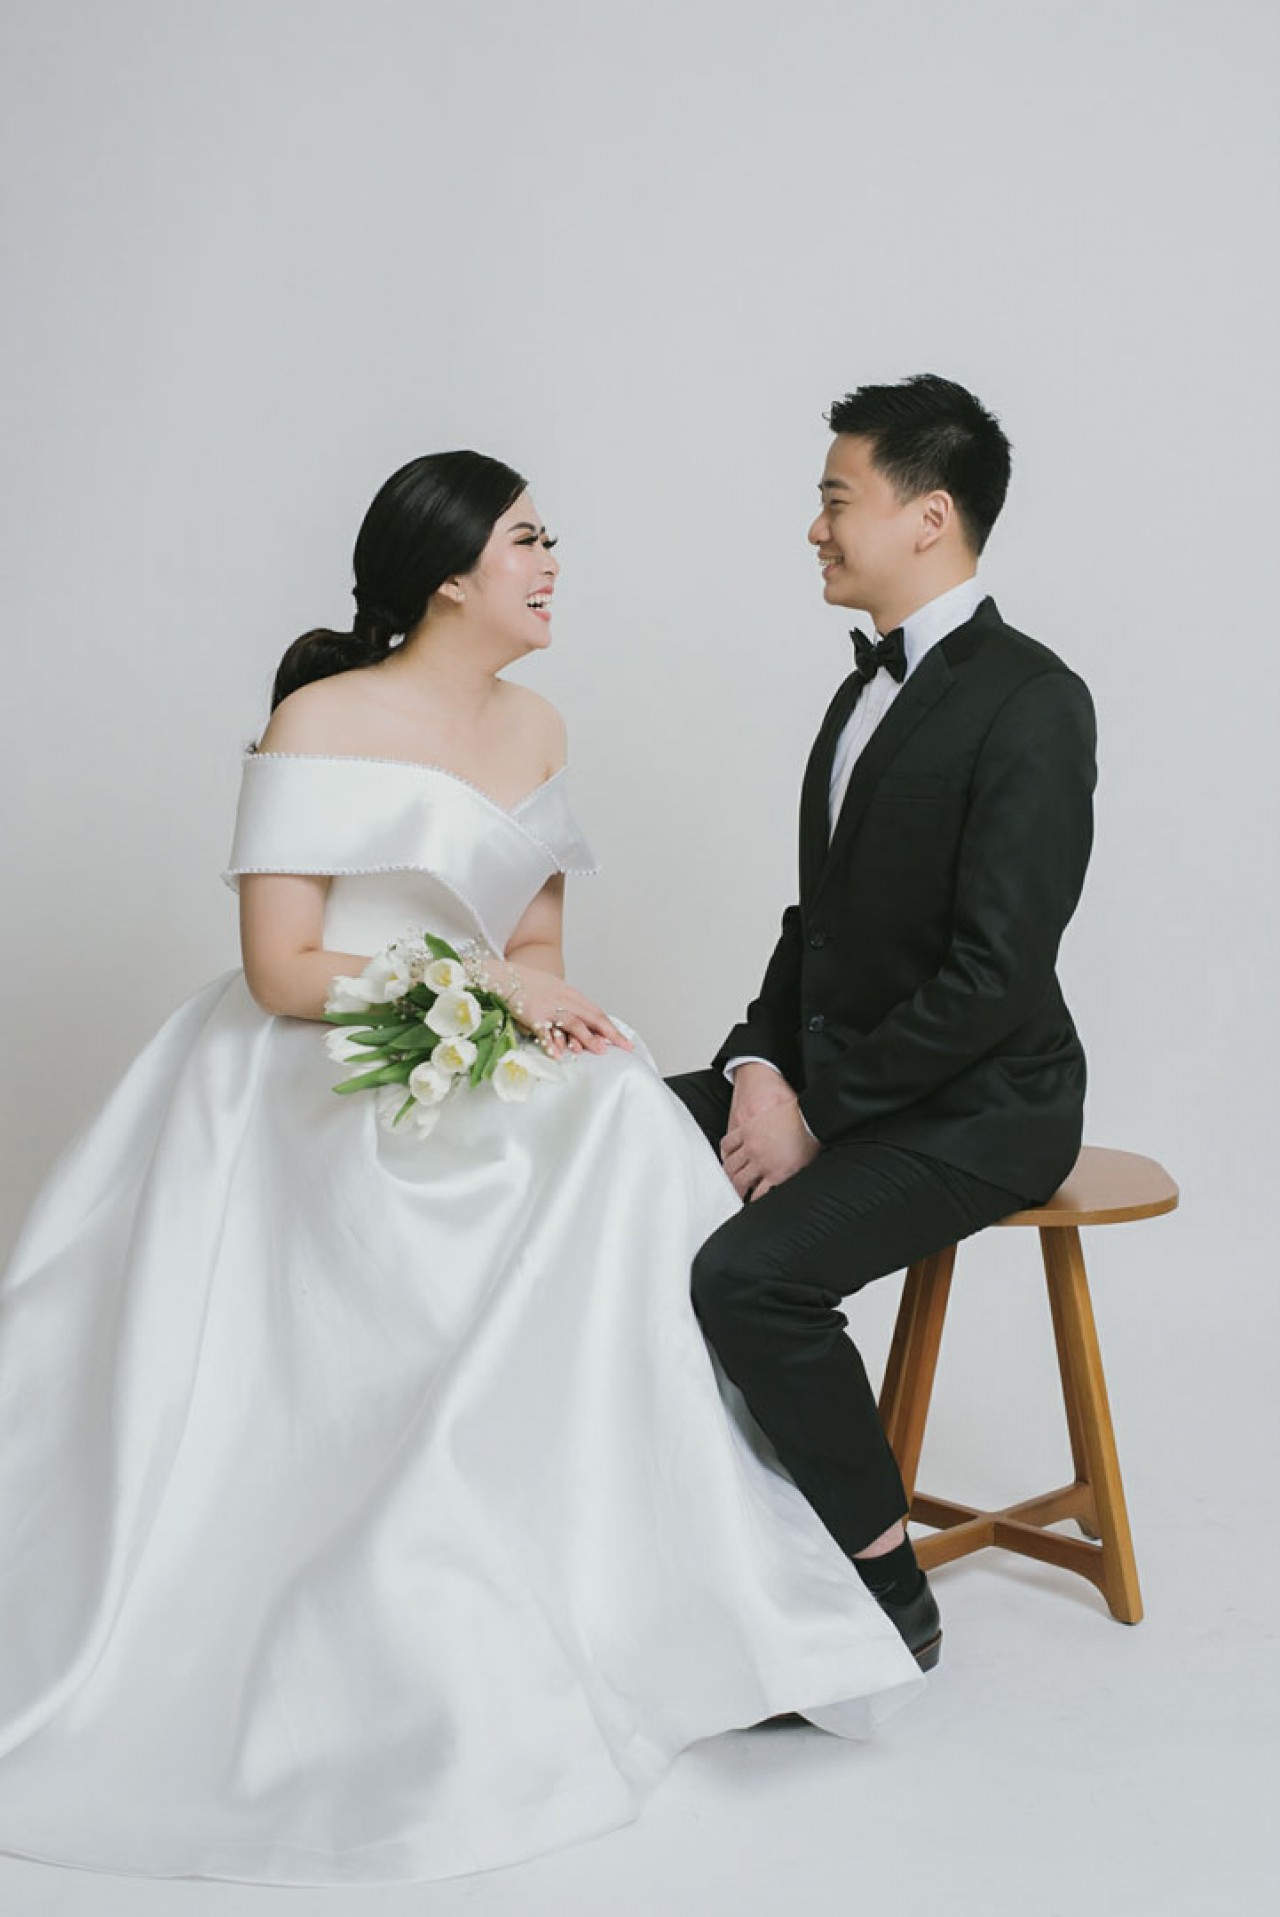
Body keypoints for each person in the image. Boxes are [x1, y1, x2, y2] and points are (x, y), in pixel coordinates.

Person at [0, 450, 922, 1888]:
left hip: (474, 1038)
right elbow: (281, 967)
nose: (553, 565)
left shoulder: (539, 725)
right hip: (313, 1063)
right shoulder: (319, 719)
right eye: (527, 541)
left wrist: (531, 1008)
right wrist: (476, 989)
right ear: (447, 573)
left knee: (626, 1121)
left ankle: (655, 1584)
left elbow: (536, 948)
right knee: (532, 1152)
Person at [670, 375, 1097, 1672]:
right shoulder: (857, 694)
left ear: (930, 516)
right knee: (615, 1134)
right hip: (840, 1072)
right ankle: (689, 1534)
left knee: (749, 1275)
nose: (815, 527)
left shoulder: (1036, 699)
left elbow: (996, 975)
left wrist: (817, 1114)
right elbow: (820, 927)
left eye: (835, 499)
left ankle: (881, 1583)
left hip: (983, 1106)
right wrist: (757, 1062)